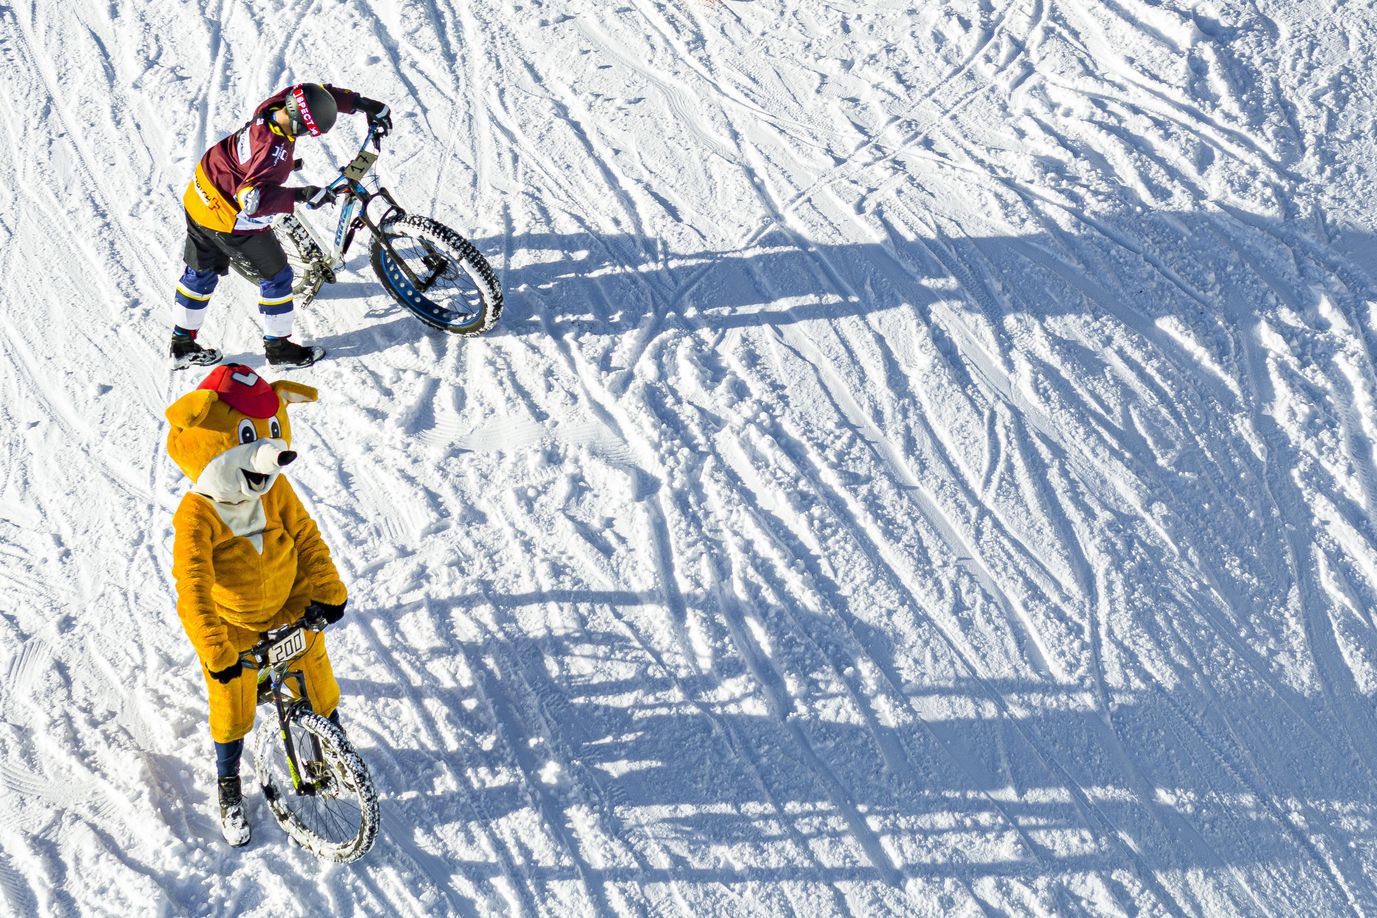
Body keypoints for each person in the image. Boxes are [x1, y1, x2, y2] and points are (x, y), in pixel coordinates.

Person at [165, 364, 350, 845]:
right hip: (236, 622)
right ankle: (229, 781)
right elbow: (194, 586)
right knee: (233, 699)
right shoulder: (197, 514)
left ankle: (331, 743)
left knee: (316, 672)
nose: (271, 456)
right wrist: (216, 651)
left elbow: (306, 538)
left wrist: (329, 591)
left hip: (289, 603)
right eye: (249, 436)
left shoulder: (277, 491)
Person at [171, 83, 392, 369]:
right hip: (228, 215)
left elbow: (316, 93)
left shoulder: (276, 106)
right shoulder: (272, 151)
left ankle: (181, 346)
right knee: (277, 277)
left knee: (200, 273)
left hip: (202, 189)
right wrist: (301, 194)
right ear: (300, 125)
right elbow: (252, 200)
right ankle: (280, 351)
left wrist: (363, 104)